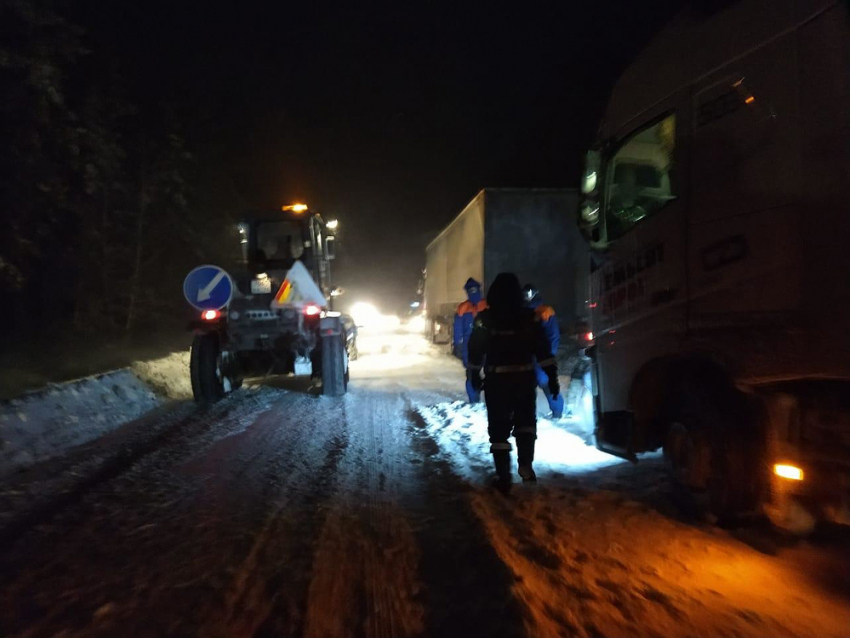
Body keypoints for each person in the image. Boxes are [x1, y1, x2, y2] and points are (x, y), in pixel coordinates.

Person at [467, 273, 559, 492]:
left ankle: (503, 476)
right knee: (526, 422)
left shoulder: (484, 319)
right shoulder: (530, 317)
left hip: (496, 381)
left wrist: (473, 376)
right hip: (524, 379)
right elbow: (544, 351)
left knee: (499, 429)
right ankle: (526, 465)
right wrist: (552, 378)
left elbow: (475, 351)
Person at [522, 283, 565, 419]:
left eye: (529, 293)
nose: (527, 297)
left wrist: (548, 354)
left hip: (541, 355)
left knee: (546, 382)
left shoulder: (546, 311)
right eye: (525, 294)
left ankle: (557, 412)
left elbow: (554, 335)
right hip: (527, 356)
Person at [453, 277, 488, 402]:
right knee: (490, 373)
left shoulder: (463, 308)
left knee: (472, 374)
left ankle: (475, 401)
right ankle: (491, 400)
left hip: (470, 347)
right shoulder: (487, 305)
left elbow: (458, 329)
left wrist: (457, 345)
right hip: (486, 345)